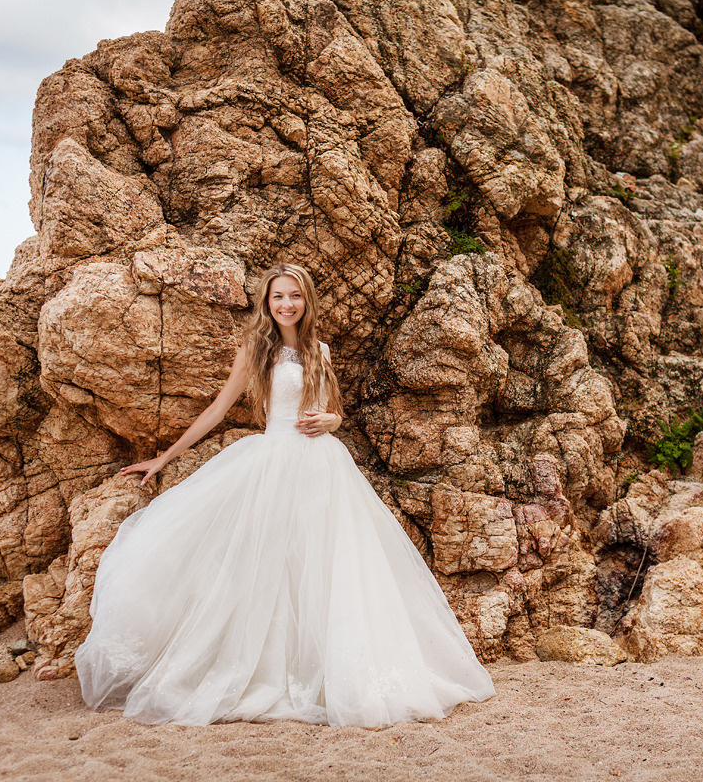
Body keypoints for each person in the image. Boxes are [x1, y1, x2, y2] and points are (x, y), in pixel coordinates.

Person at [74, 262, 496, 728]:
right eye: (277, 297)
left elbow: (330, 411)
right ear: (267, 303)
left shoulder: (320, 350)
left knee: (324, 567)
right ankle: (263, 666)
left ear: (306, 299)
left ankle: (325, 670)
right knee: (268, 566)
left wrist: (334, 422)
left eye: (294, 295)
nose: (286, 304)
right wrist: (164, 458)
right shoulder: (259, 349)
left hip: (323, 468)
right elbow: (219, 407)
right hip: (273, 463)